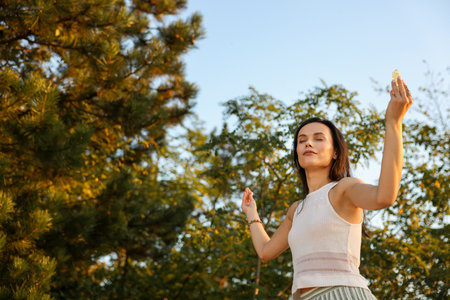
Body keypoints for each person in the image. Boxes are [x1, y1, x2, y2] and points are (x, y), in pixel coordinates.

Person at [241, 75, 413, 300]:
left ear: (335, 152)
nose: (308, 143)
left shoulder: (344, 189)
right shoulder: (297, 210)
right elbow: (265, 252)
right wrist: (251, 212)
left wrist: (393, 122)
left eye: (318, 138)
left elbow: (384, 197)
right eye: (301, 141)